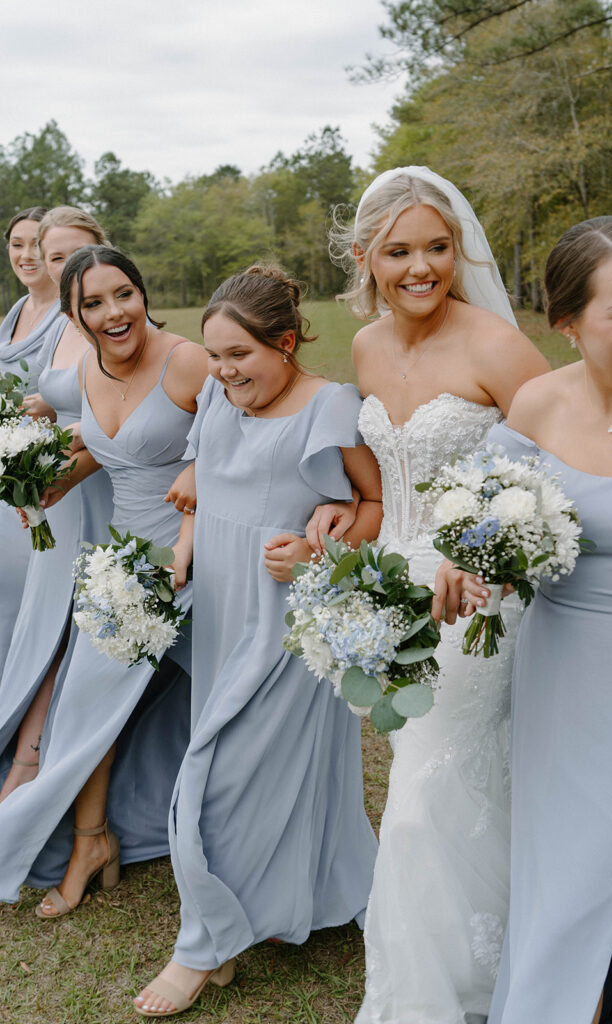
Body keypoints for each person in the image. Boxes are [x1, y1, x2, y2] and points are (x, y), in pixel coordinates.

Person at [317, 167, 549, 1024]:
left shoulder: (496, 346)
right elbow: (385, 478)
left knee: (420, 793)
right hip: (392, 592)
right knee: (457, 785)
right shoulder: (367, 348)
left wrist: (484, 550)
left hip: (476, 596)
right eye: (399, 252)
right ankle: (506, 948)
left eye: (438, 247)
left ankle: (426, 999)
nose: (421, 267)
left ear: (460, 250)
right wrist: (345, 515)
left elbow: (557, 467)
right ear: (365, 258)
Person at [133, 264, 382, 1017]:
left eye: (239, 355)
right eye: (214, 355)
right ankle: (272, 905)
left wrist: (321, 548)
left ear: (285, 344)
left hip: (285, 621)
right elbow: (205, 477)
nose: (223, 370)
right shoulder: (218, 394)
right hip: (220, 605)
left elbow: (375, 502)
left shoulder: (331, 405)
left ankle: (200, 949)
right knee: (261, 770)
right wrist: (183, 547)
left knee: (223, 773)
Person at [473, 217, 612, 1024]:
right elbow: (484, 523)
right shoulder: (538, 403)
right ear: (566, 323)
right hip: (562, 671)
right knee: (568, 866)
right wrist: (475, 564)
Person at [0, 246, 207, 911]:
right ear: (74, 318)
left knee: (228, 704)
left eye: (124, 294)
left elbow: (252, 425)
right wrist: (50, 478)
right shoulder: (86, 370)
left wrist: (198, 469)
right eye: (94, 303)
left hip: (197, 562)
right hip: (125, 566)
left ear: (143, 294)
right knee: (84, 704)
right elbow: (107, 443)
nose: (114, 313)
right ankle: (90, 841)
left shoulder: (186, 361)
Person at [0, 207, 113, 815]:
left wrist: (63, 454)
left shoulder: (108, 319)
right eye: (54, 256)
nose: (64, 266)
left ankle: (27, 769)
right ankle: (10, 742)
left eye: (74, 253)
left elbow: (129, 417)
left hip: (88, 488)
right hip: (51, 484)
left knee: (60, 627)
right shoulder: (61, 319)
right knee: (19, 614)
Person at [0, 207, 60, 724]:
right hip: (13, 472)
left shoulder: (71, 313)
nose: (27, 255)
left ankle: (18, 704)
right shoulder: (14, 311)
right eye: (17, 244)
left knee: (39, 593)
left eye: (38, 244)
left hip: (59, 474)